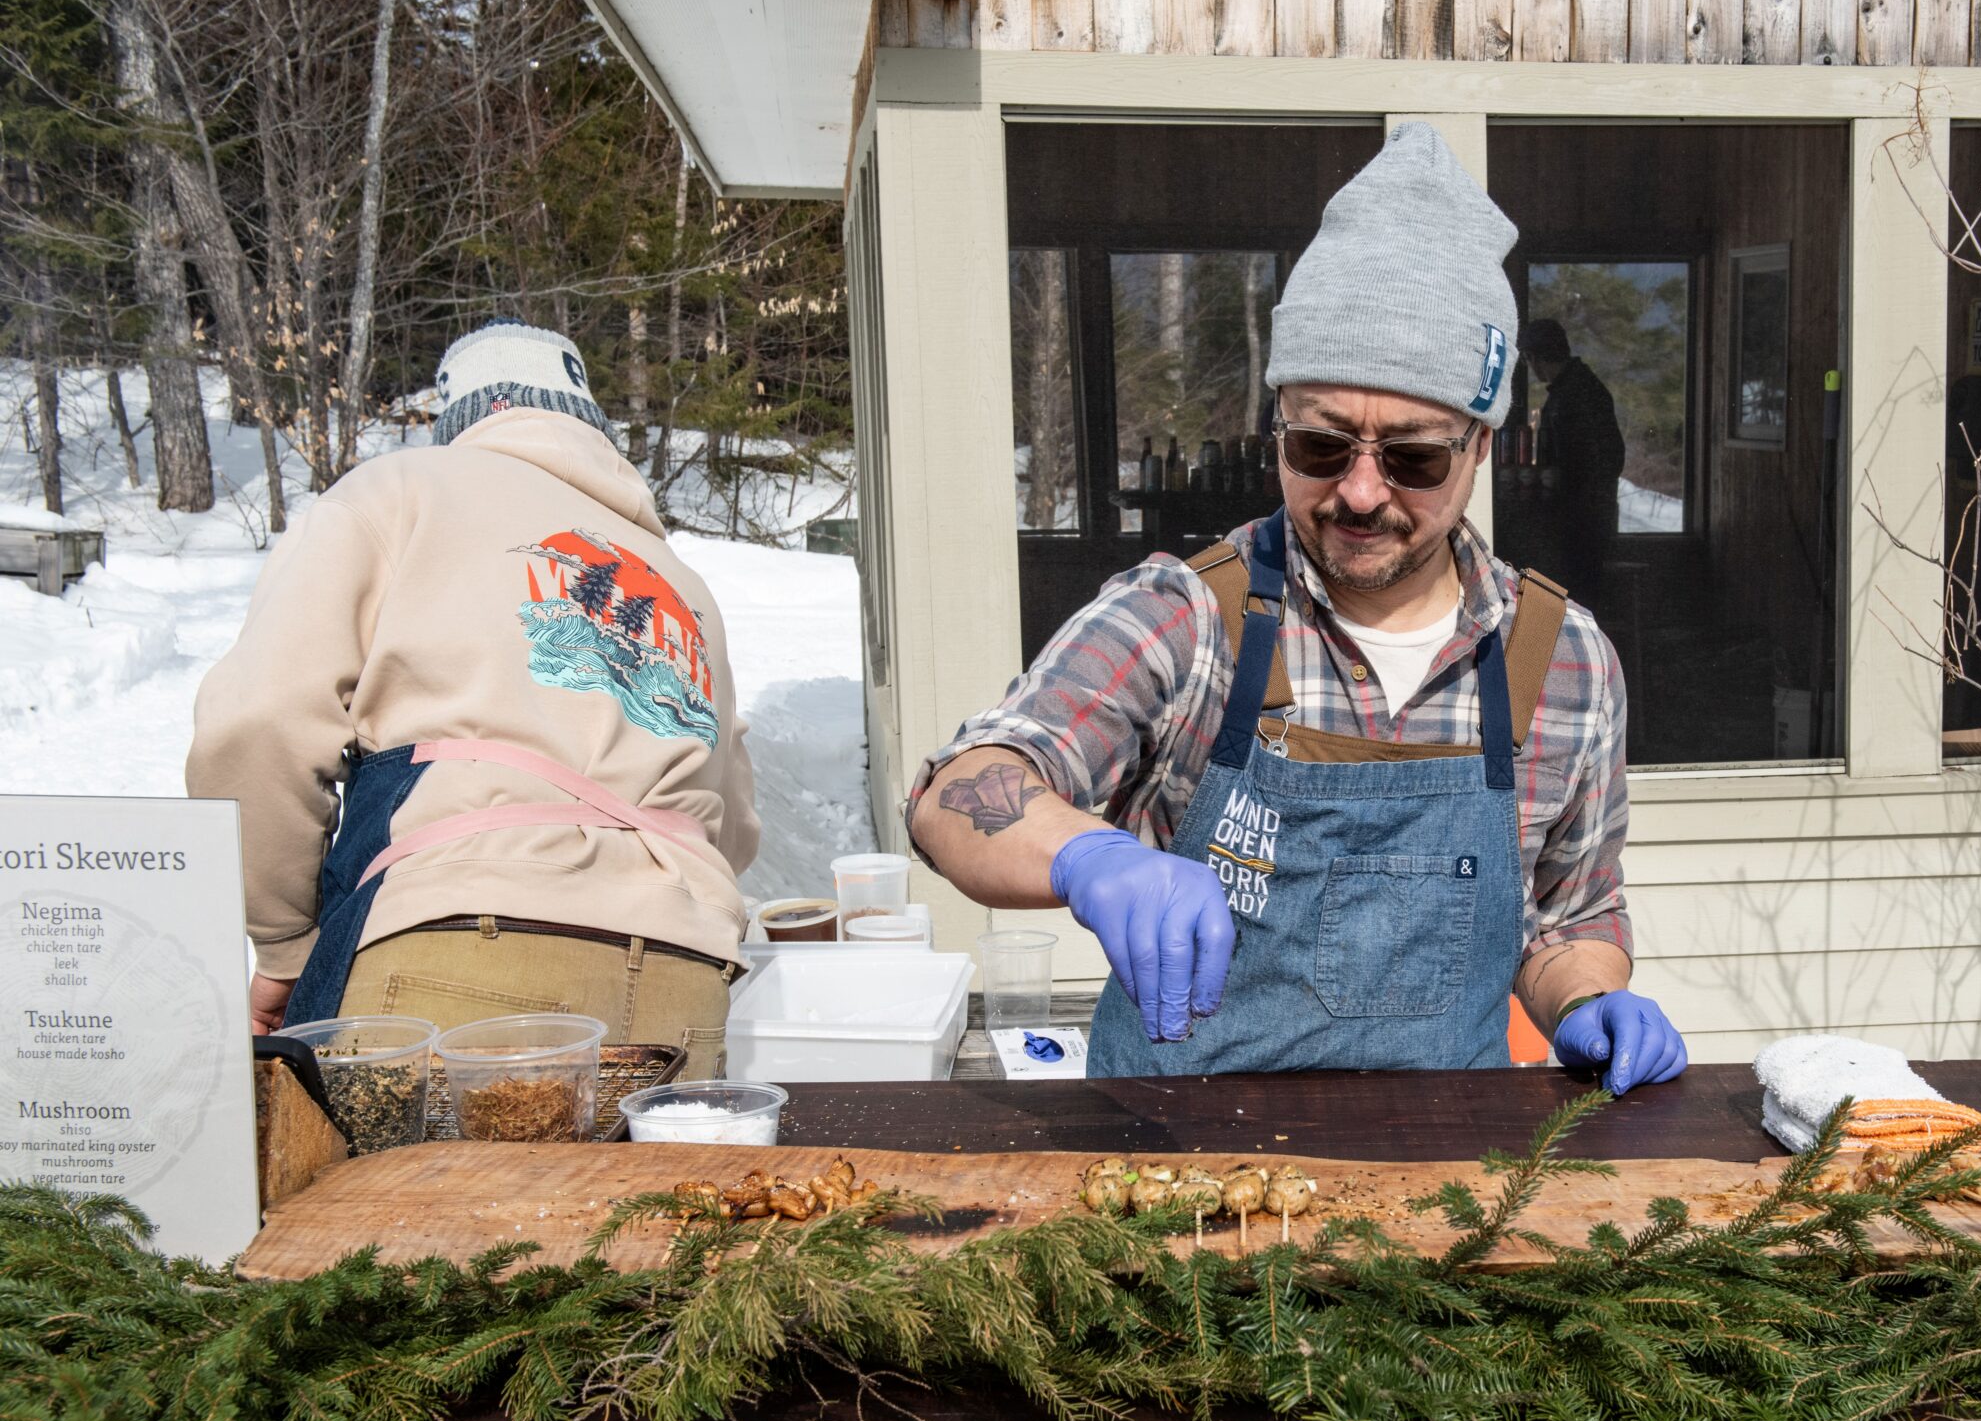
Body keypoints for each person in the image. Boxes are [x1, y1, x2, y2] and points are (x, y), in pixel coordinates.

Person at [907, 124, 1685, 1092]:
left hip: (1451, 1176)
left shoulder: (1561, 662)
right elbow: (955, 794)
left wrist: (1585, 1001)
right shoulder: (1192, 620)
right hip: (1177, 1170)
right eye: (1321, 445)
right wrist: (1091, 856)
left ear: (1481, 445)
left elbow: (1571, 916)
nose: (1359, 491)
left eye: (1412, 457)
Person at [187, 319, 760, 1076]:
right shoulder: (682, 584)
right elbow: (733, 827)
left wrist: (285, 941)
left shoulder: (399, 494)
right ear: (590, 424)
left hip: (459, 943)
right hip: (682, 977)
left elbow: (258, 722)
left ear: (458, 421)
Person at [1521, 317, 1626, 591]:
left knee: (1575, 591)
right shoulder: (1581, 387)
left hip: (1579, 517)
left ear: (1533, 357)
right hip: (1587, 515)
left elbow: (1596, 458)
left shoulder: (1571, 396)